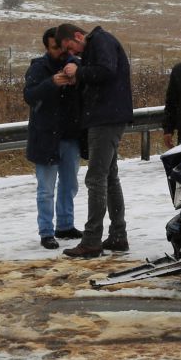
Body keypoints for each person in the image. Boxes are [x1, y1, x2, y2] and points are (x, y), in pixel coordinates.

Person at [54, 22, 133, 258]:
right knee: (109, 177)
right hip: (108, 116)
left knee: (96, 178)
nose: (72, 53)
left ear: (78, 36)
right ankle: (118, 235)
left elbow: (106, 71)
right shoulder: (97, 45)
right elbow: (100, 74)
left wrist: (78, 72)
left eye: (70, 46)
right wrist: (79, 78)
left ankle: (91, 241)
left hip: (105, 118)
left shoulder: (101, 41)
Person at [23, 27, 84, 250]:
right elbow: (29, 95)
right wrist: (51, 83)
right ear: (47, 48)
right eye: (55, 47)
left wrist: (77, 73)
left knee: (69, 184)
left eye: (61, 46)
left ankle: (66, 225)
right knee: (46, 189)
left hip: (69, 135)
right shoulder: (38, 67)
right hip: (46, 136)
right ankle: (46, 231)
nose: (61, 51)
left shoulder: (77, 63)